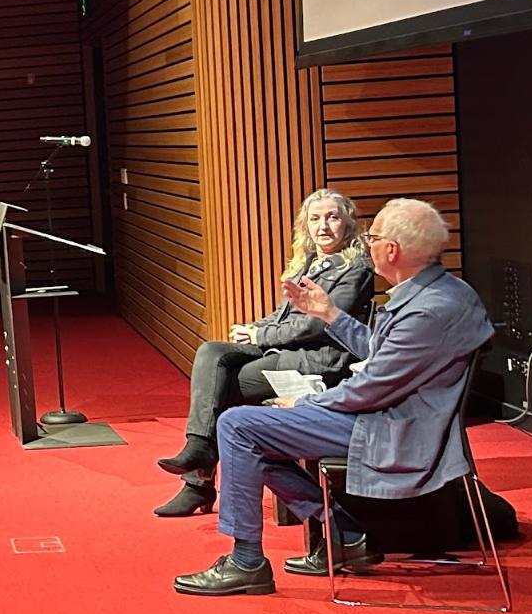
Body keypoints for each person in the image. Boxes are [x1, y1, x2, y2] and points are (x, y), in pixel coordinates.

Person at [174, 198, 495, 597]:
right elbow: (379, 352)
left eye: (373, 237)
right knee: (253, 428)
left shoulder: (425, 312)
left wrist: (304, 404)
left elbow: (369, 388)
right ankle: (344, 534)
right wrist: (330, 313)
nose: (369, 243)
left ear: (391, 250)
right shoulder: (444, 292)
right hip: (400, 415)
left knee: (237, 425)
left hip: (397, 430)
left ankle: (247, 562)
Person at [155, 188, 376, 518]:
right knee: (211, 352)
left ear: (348, 224)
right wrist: (254, 327)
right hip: (285, 351)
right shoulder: (306, 263)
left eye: (332, 217)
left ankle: (198, 481)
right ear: (305, 225)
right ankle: (198, 451)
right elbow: (282, 317)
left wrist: (261, 334)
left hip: (318, 360)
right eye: (315, 219)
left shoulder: (355, 269)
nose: (324, 226)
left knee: (223, 386)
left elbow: (318, 325)